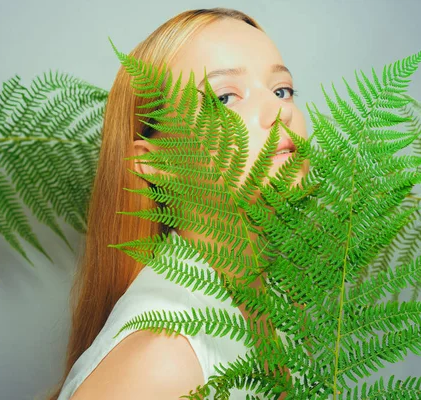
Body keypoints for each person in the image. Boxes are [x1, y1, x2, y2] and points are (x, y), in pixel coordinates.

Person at [43, 7, 310, 400]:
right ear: (155, 162)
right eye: (224, 97)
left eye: (281, 89)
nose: (279, 111)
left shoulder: (278, 303)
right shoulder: (164, 357)